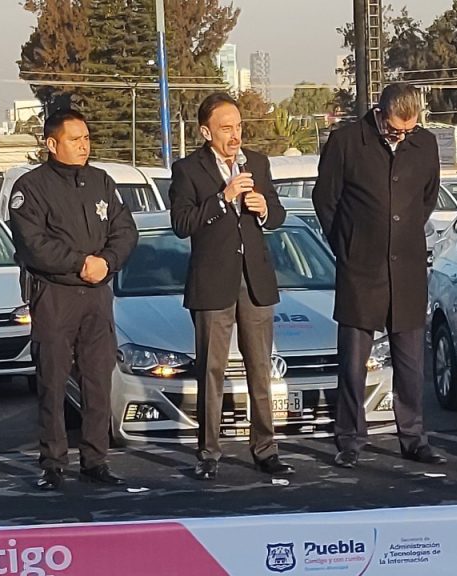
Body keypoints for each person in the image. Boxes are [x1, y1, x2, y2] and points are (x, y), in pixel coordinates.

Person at [313, 83, 446, 469]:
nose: (401, 136)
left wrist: (401, 234)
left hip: (406, 267)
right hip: (360, 267)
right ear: (379, 113)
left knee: (410, 361)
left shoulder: (425, 145)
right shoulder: (347, 142)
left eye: (409, 129)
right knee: (353, 360)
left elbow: (427, 197)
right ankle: (351, 438)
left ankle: (413, 436)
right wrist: (348, 243)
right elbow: (326, 199)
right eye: (394, 129)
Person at [8, 109, 137, 490]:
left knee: (98, 379)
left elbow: (126, 231)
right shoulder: (31, 188)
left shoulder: (101, 181)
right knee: (52, 379)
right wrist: (80, 263)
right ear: (52, 144)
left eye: (86, 138)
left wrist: (107, 263)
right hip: (54, 295)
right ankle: (52, 463)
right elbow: (34, 245)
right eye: (75, 139)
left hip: (97, 295)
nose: (84, 145)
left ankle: (96, 460)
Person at [170, 92, 294, 481]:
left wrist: (264, 208)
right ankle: (208, 452)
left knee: (261, 368)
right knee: (211, 369)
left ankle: (265, 448)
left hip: (255, 280)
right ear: (206, 131)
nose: (235, 135)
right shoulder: (188, 170)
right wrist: (223, 199)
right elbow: (182, 223)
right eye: (226, 128)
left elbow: (278, 214)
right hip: (213, 283)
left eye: (239, 127)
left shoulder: (257, 163)